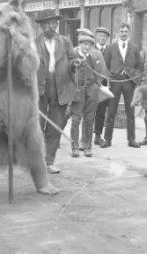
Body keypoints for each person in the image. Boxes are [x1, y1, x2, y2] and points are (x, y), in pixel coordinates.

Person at [35, 9, 81, 174]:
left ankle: (49, 162)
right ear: (41, 25)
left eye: (54, 23)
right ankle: (37, 162)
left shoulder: (65, 41)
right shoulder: (33, 43)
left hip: (60, 87)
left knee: (55, 126)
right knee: (38, 125)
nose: (51, 26)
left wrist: (74, 63)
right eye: (47, 23)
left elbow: (71, 59)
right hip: (39, 88)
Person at [101, 22, 143, 148]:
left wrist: (135, 78)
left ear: (129, 33)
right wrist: (110, 77)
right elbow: (105, 66)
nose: (124, 34)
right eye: (121, 31)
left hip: (129, 83)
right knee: (111, 112)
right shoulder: (110, 48)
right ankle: (107, 139)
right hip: (115, 83)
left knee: (130, 112)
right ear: (118, 32)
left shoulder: (134, 48)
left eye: (126, 31)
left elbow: (139, 66)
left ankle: (131, 139)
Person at [69, 33, 107, 158]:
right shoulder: (73, 56)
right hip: (77, 92)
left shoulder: (94, 57)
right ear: (79, 44)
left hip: (91, 90)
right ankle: (74, 147)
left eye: (90, 45)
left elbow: (101, 72)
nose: (87, 47)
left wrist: (96, 85)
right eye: (85, 44)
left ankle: (87, 147)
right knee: (75, 120)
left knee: (89, 119)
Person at [93, 27, 111, 146]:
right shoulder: (90, 49)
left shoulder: (110, 50)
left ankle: (97, 136)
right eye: (100, 35)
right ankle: (84, 137)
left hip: (105, 85)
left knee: (101, 111)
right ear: (96, 37)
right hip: (91, 84)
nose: (102, 38)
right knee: (86, 111)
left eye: (104, 36)